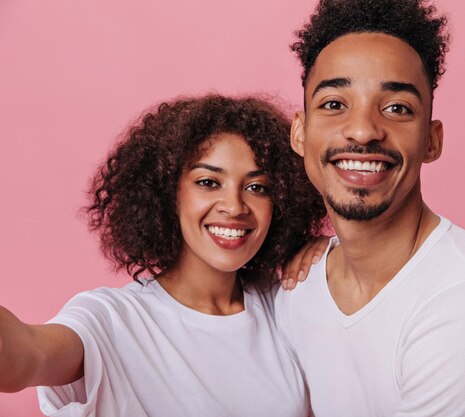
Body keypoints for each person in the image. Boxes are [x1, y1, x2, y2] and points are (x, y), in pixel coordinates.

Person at [275, 0, 465, 416]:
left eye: (397, 108)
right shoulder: (296, 289)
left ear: (431, 140)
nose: (363, 130)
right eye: (335, 103)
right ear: (300, 133)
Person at [0, 94, 327, 416]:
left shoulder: (283, 304)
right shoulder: (112, 320)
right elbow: (25, 358)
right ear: (168, 192)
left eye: (257, 187)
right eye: (208, 182)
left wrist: (333, 255)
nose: (234, 206)